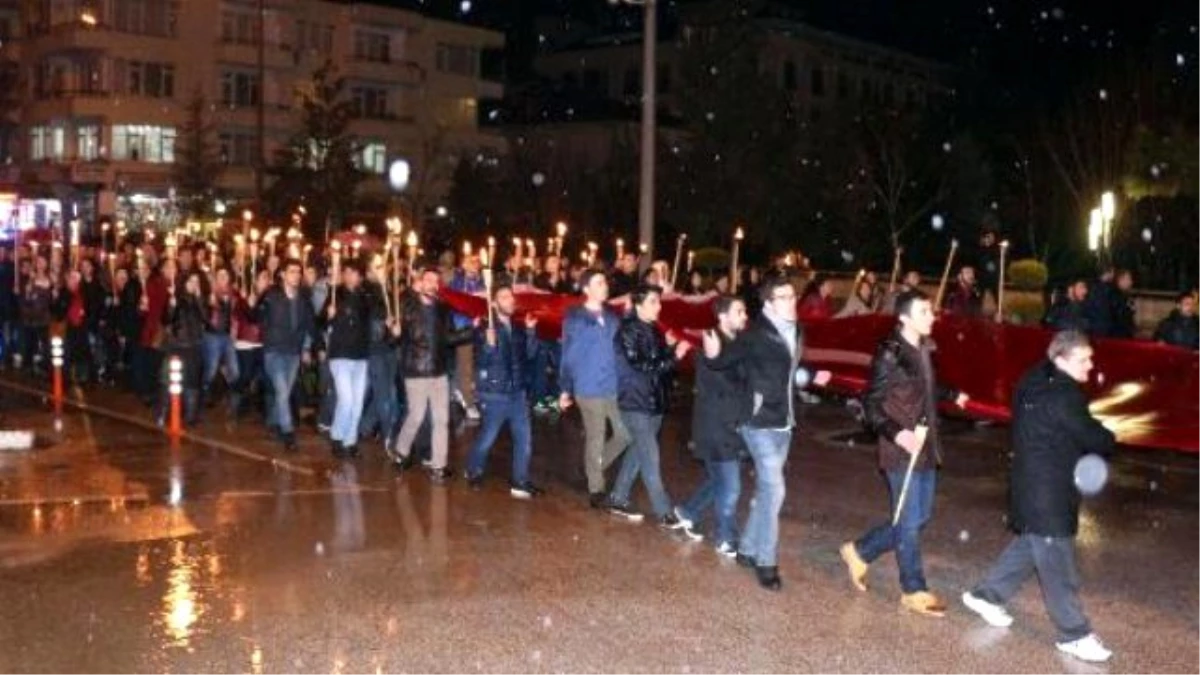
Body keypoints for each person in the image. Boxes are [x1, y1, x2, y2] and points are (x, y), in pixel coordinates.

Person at [961, 331, 1116, 664]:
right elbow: (1091, 436)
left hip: (1030, 480)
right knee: (1057, 561)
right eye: (1083, 360)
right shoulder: (1064, 395)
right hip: (1049, 488)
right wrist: (1111, 436)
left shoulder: (1033, 378)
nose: (1090, 366)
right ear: (1060, 359)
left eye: (1090, 358)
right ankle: (1074, 634)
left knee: (1032, 545)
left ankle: (985, 595)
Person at [838, 289, 969, 617]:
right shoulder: (890, 351)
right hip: (900, 448)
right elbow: (870, 404)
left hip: (926, 443)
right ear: (905, 317)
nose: (932, 317)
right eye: (924, 312)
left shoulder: (924, 347)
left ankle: (860, 551)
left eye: (931, 311)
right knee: (909, 522)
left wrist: (953, 394)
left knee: (918, 517)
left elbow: (924, 386)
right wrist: (898, 434)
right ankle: (913, 589)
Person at [702, 275, 831, 590]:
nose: (792, 302)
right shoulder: (755, 334)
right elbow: (722, 361)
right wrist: (712, 353)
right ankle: (766, 561)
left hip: (784, 423)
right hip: (757, 422)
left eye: (793, 296)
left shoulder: (797, 330)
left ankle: (746, 548)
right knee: (776, 490)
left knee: (766, 493)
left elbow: (791, 370)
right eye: (784, 297)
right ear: (769, 304)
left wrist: (813, 375)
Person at [605, 284, 695, 532]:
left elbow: (659, 366)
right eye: (654, 301)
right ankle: (665, 513)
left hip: (653, 402)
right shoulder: (627, 331)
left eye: (659, 301)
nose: (660, 306)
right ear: (639, 304)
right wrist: (673, 355)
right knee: (650, 458)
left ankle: (617, 497)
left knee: (638, 452)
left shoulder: (653, 328)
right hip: (635, 402)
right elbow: (642, 366)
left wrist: (667, 347)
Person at [677, 295, 750, 556]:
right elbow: (718, 374)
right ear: (723, 316)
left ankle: (689, 511)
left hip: (733, 425)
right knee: (731, 486)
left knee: (720, 480)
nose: (744, 316)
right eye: (739, 311)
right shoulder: (712, 340)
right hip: (715, 426)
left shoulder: (739, 342)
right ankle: (726, 537)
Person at [390, 265, 474, 482]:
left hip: (438, 371)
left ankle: (438, 466)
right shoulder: (407, 307)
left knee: (441, 420)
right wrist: (394, 333)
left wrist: (472, 330)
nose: (431, 285)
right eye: (427, 280)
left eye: (435, 282)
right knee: (416, 416)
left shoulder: (443, 309)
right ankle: (400, 451)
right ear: (420, 282)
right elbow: (392, 339)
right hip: (416, 371)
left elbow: (449, 339)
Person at [464, 284, 543, 498]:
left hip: (517, 392)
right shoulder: (484, 328)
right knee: (488, 437)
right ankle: (474, 469)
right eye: (504, 297)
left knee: (524, 439)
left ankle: (519, 480)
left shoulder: (518, 327)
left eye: (511, 297)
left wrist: (530, 331)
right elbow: (480, 361)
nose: (510, 301)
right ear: (494, 303)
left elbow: (530, 355)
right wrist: (489, 345)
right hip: (494, 392)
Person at [559, 269, 629, 508]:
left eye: (605, 282)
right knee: (596, 437)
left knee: (624, 434)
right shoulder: (576, 318)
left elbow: (620, 351)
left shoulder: (612, 318)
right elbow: (567, 356)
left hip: (612, 384)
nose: (605, 286)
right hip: (588, 387)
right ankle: (595, 488)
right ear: (586, 289)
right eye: (599, 282)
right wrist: (565, 388)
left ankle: (593, 468)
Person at [250, 258, 315, 452]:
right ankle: (288, 433)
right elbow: (255, 317)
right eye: (292, 271)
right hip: (274, 351)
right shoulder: (271, 295)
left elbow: (308, 325)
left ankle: (273, 421)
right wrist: (256, 299)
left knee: (284, 392)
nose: (296, 275)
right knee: (282, 391)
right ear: (283, 274)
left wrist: (308, 348)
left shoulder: (303, 298)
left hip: (293, 352)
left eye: (298, 272)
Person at [322, 261, 382, 458]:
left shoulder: (366, 295)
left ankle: (350, 441)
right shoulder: (335, 294)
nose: (349, 276)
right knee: (346, 399)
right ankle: (337, 436)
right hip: (340, 354)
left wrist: (378, 280)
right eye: (346, 272)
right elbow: (320, 321)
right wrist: (327, 315)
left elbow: (380, 308)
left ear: (360, 276)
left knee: (357, 401)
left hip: (361, 355)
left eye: (354, 273)